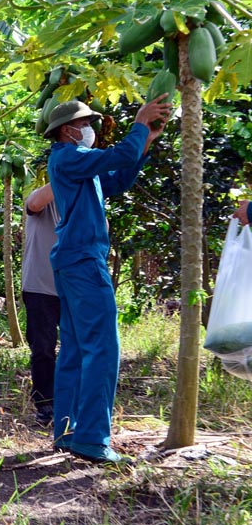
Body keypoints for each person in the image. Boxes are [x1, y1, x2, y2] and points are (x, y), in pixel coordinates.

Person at [45, 97, 171, 464]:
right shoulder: (67, 156)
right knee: (103, 347)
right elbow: (116, 157)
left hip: (74, 259)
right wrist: (139, 123)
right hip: (84, 260)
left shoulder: (77, 162)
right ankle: (91, 438)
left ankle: (68, 431)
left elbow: (117, 179)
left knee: (74, 348)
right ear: (68, 130)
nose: (91, 129)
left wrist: (144, 140)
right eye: (85, 123)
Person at [21, 182, 59, 427]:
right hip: (39, 286)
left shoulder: (81, 199)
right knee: (43, 348)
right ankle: (45, 404)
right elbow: (33, 204)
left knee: (76, 347)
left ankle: (67, 400)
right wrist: (68, 171)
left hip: (71, 286)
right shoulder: (42, 198)